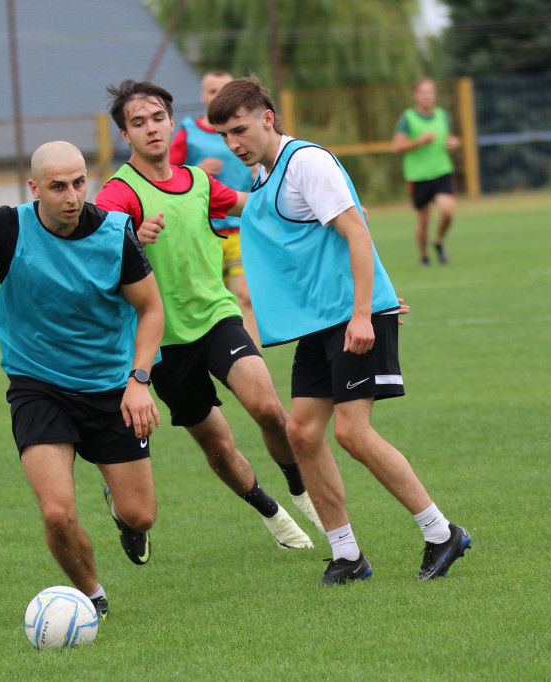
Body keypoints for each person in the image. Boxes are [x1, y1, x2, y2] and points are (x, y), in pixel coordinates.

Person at [208, 76, 471, 585]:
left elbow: (356, 231)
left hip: (352, 319)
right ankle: (347, 554)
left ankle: (442, 533)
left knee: (352, 432)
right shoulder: (265, 176)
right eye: (224, 135)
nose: (233, 143)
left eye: (239, 129)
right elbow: (271, 218)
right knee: (302, 432)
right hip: (321, 324)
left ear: (267, 117)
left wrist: (363, 313)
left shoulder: (304, 161)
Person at [0, 119, 165, 620]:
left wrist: (139, 380)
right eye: (58, 186)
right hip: (38, 386)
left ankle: (120, 508)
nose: (71, 196)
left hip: (112, 387)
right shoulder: (8, 226)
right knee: (57, 513)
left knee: (141, 514)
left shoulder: (114, 233)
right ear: (34, 188)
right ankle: (91, 597)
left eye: (79, 182)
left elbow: (151, 310)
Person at [95, 79, 321, 550]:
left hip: (218, 317)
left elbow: (257, 207)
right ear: (125, 134)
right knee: (217, 446)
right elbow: (93, 251)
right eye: (138, 122)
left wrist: (318, 205)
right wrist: (132, 233)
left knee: (268, 409)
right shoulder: (118, 194)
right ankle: (273, 515)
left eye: (158, 118)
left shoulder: (197, 181)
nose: (151, 128)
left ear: (171, 122)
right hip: (164, 344)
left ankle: (303, 493)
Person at [170, 69, 260, 349]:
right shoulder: (188, 131)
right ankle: (220, 354)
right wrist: (195, 171)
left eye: (223, 90)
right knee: (214, 301)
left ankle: (252, 355)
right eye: (211, 91)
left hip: (241, 227)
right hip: (204, 231)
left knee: (245, 295)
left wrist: (261, 170)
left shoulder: (249, 129)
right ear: (202, 95)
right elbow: (166, 175)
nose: (217, 96)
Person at [390, 77, 461, 267]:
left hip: (441, 171)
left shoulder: (443, 116)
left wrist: (452, 143)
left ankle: (438, 242)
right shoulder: (407, 119)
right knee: (424, 219)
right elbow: (397, 147)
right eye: (423, 93)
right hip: (418, 175)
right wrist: (419, 141)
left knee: (448, 211)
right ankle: (424, 256)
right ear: (416, 96)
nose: (427, 96)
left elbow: (448, 139)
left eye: (430, 92)